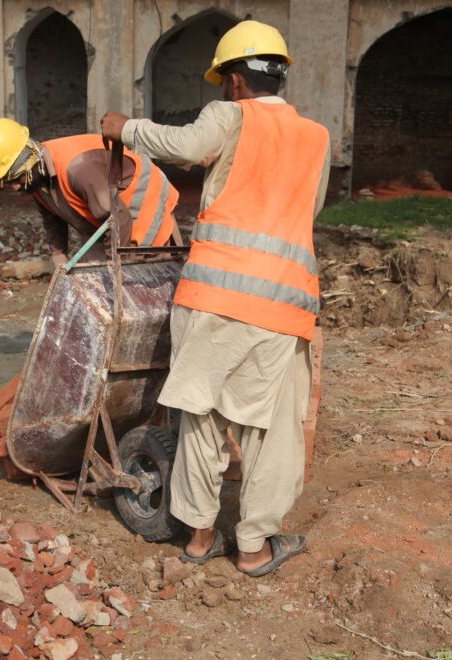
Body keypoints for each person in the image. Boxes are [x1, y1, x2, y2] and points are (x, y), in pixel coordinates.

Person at [101, 20, 330, 576]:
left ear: (233, 81)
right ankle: (252, 548)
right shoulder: (316, 136)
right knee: (267, 429)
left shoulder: (228, 116)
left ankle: (201, 537)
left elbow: (187, 146)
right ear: (279, 74)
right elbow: (312, 210)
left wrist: (125, 128)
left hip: (209, 297)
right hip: (281, 308)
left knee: (199, 418)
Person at [0, 119, 180, 267]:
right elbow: (52, 217)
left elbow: (118, 218)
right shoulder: (36, 176)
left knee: (137, 274)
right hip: (107, 214)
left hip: (140, 201)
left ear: (29, 161)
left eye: (15, 179)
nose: (16, 187)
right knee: (88, 277)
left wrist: (114, 269)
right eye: (8, 182)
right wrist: (59, 255)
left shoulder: (78, 169)